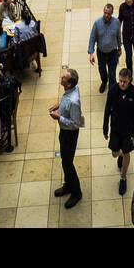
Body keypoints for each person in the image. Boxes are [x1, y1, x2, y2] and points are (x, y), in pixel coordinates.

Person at [103, 68, 134, 196]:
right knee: (115, 154)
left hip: (128, 131)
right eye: (120, 81)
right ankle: (120, 155)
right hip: (115, 128)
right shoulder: (113, 90)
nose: (122, 84)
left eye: (124, 81)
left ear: (129, 80)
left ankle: (123, 177)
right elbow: (107, 109)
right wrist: (105, 128)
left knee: (127, 152)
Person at [50, 68, 83, 208]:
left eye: (64, 78)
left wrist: (59, 117)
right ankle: (68, 185)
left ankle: (76, 192)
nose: (61, 78)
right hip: (64, 132)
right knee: (65, 160)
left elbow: (75, 124)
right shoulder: (71, 91)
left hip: (69, 134)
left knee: (68, 163)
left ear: (69, 84)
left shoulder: (74, 101)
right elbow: (66, 100)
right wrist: (59, 105)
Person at [88, 3, 122, 93]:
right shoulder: (97, 23)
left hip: (113, 53)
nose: (106, 15)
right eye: (105, 12)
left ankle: (112, 92)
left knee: (112, 74)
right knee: (102, 70)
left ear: (112, 13)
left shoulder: (116, 22)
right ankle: (104, 82)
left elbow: (119, 36)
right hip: (101, 53)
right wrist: (91, 53)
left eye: (108, 13)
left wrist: (119, 47)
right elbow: (92, 38)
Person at [0, 63, 22, 153]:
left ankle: (2, 142)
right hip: (9, 109)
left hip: (6, 112)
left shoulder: (1, 88)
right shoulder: (11, 80)